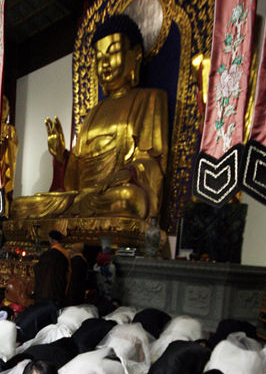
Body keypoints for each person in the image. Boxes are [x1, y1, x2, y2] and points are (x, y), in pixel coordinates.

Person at [10, 14, 168, 222]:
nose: (104, 64)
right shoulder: (93, 113)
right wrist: (61, 157)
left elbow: (152, 162)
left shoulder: (150, 99)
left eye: (112, 53)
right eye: (99, 57)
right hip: (84, 197)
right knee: (20, 206)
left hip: (116, 193)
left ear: (136, 54)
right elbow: (75, 178)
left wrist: (124, 174)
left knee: (128, 199)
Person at [33, 230, 70, 306]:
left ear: (51, 240)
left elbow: (38, 270)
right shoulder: (65, 253)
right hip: (59, 289)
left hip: (45, 291)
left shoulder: (47, 255)